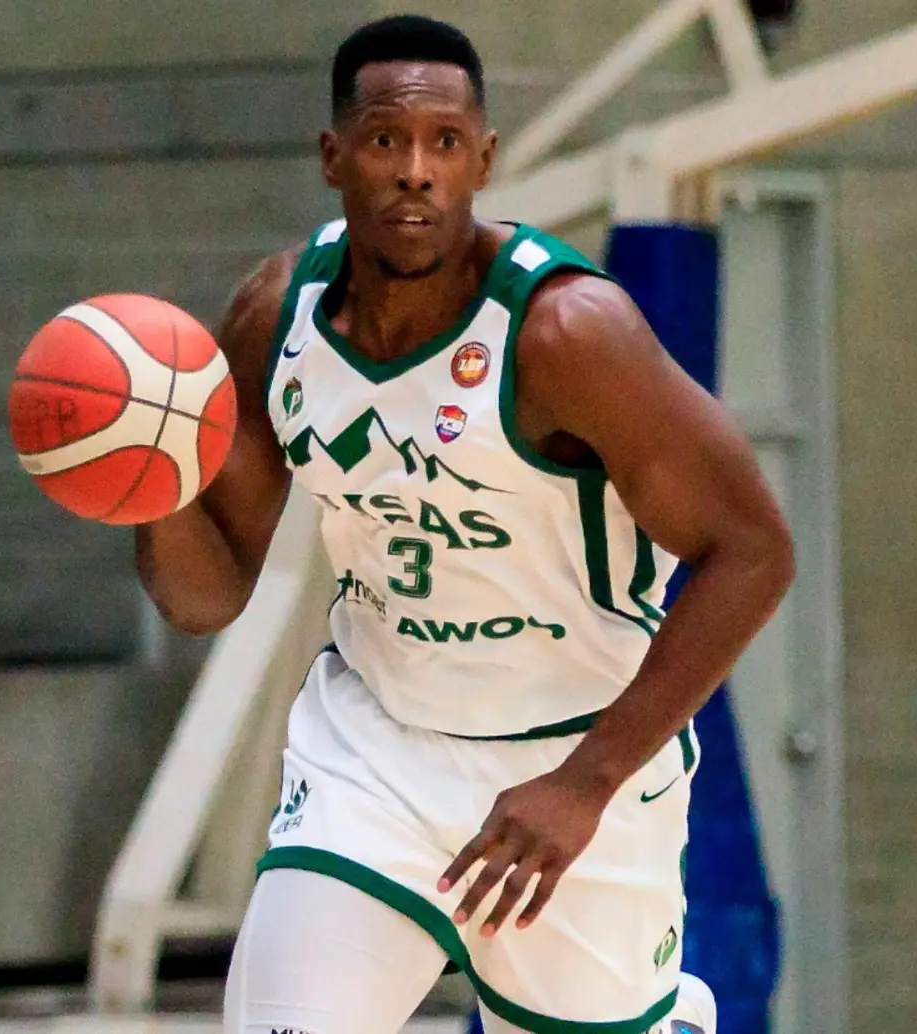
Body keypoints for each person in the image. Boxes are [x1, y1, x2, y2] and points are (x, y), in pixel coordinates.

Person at [136, 14, 793, 1034]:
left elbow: (753, 549)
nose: (413, 171)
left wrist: (583, 781)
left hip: (575, 762)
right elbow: (203, 595)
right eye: (385, 141)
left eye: (443, 143)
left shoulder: (569, 333)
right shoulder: (276, 317)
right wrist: (146, 478)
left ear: (481, 160)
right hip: (375, 754)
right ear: (331, 156)